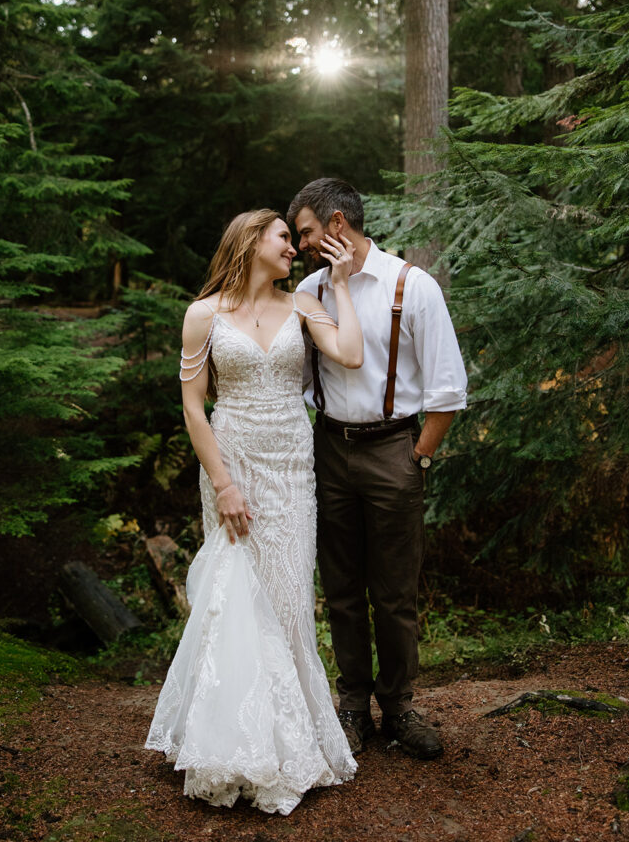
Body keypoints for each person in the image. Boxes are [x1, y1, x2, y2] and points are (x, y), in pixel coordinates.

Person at [145, 209, 363, 815]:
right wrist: (222, 484)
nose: (294, 248)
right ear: (250, 241)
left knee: (291, 598)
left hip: (293, 464)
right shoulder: (203, 315)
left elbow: (348, 354)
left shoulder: (302, 306)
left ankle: (290, 745)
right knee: (236, 596)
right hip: (234, 458)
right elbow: (192, 406)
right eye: (285, 238)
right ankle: (232, 745)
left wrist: (340, 284)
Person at [287, 178, 467, 761]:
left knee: (393, 592)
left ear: (338, 224)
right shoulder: (311, 289)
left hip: (394, 449)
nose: (301, 246)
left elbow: (447, 391)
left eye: (308, 232)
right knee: (341, 588)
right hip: (328, 449)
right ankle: (352, 705)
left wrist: (418, 458)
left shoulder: (411, 286)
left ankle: (399, 706)